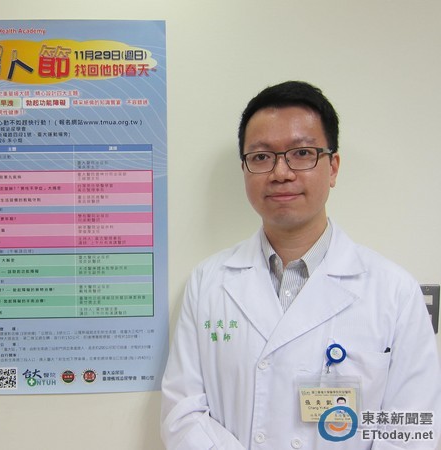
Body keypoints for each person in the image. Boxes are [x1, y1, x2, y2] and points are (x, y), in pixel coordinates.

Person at [160, 81, 440, 449]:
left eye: (302, 153)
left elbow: (412, 431)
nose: (281, 172)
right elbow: (182, 412)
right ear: (245, 169)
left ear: (333, 168)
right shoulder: (207, 282)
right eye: (261, 157)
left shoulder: (394, 290)